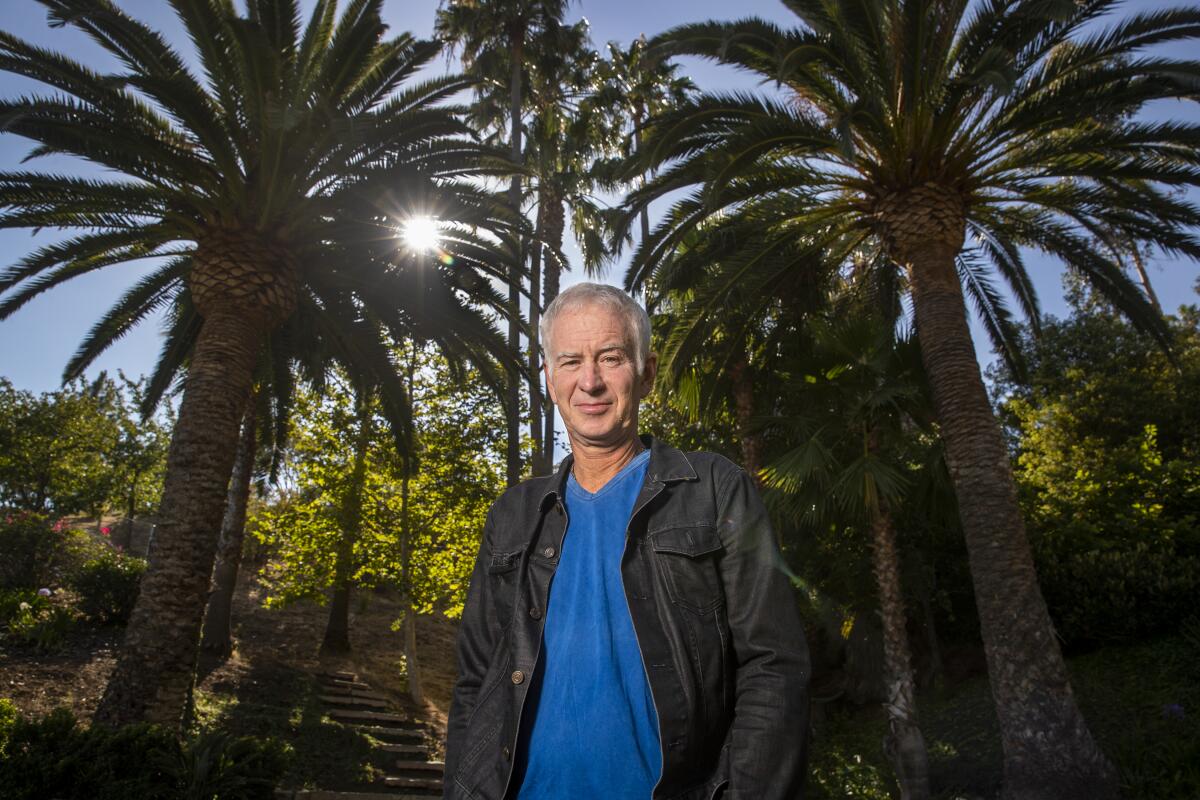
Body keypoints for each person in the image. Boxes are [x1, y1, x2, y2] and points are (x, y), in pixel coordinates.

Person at [445, 283, 810, 800]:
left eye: (610, 357)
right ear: (549, 379)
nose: (589, 381)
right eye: (570, 361)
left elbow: (775, 667)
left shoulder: (713, 489)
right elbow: (475, 684)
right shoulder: (513, 514)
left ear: (647, 372)